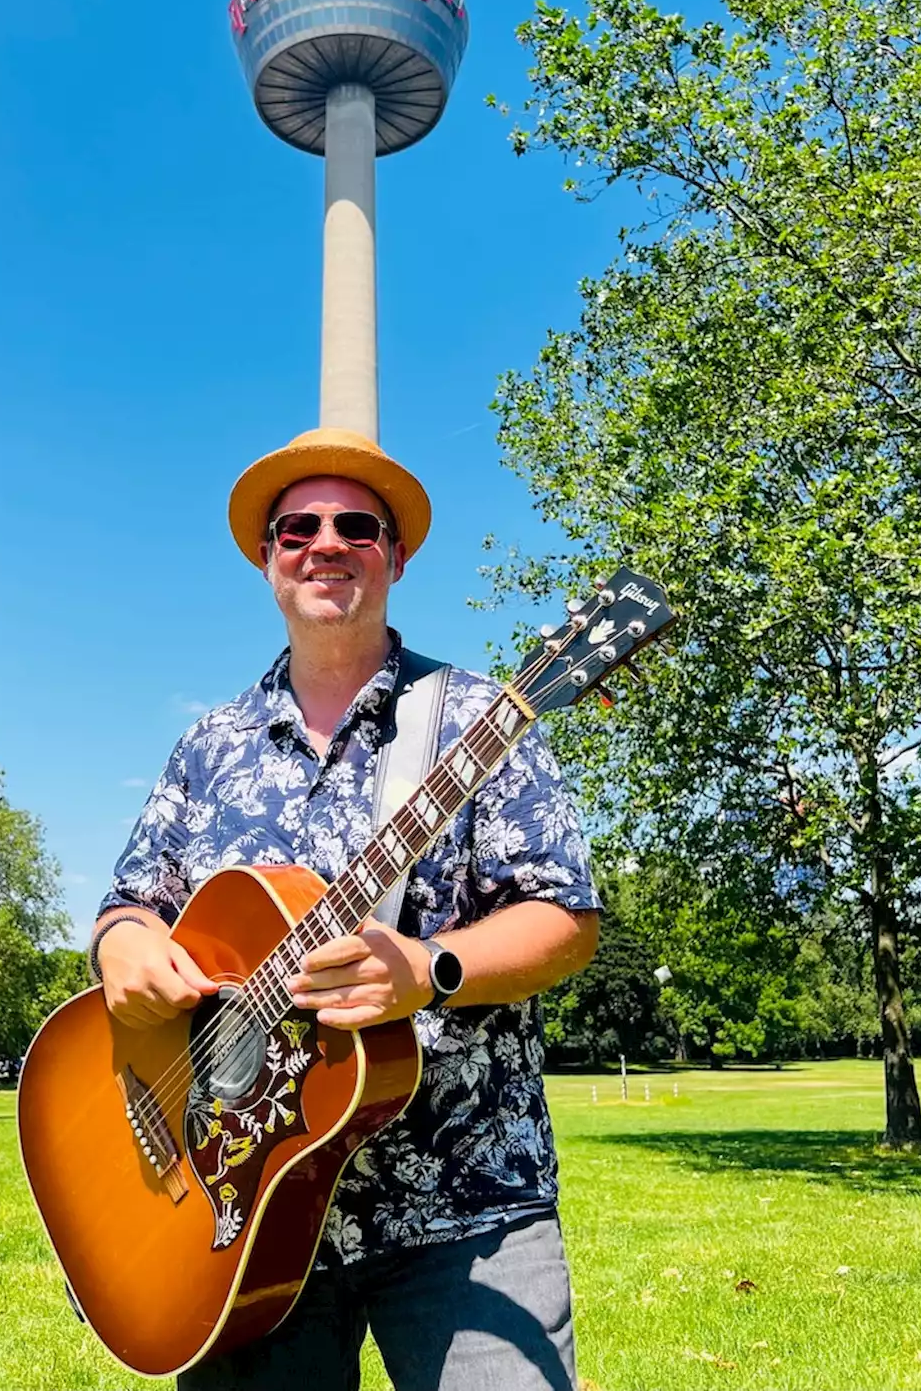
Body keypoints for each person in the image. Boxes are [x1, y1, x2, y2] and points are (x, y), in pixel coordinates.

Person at [92, 427, 600, 1391]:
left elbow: (565, 918)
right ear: (267, 557)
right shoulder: (210, 745)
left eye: (357, 526)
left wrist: (431, 970)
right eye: (298, 528)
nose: (326, 543)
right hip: (235, 1211)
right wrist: (125, 949)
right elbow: (130, 904)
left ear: (397, 557)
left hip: (466, 1209)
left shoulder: (482, 720)